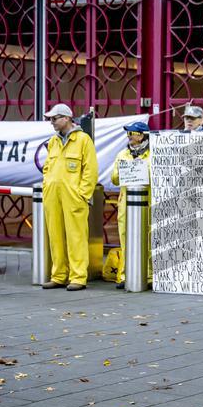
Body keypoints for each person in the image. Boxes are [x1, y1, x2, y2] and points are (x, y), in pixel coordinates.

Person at [42, 103, 98, 291]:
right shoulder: (53, 141)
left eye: (55, 118)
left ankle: (78, 277)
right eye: (50, 119)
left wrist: (82, 195)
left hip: (74, 197)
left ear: (67, 118)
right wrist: (46, 187)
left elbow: (90, 171)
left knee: (76, 237)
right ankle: (58, 275)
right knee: (55, 236)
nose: (52, 122)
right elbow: (47, 168)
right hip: (53, 196)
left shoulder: (83, 140)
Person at [111, 121, 151, 290]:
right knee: (125, 238)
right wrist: (122, 172)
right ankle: (125, 275)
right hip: (126, 203)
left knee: (147, 238)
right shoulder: (122, 154)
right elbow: (114, 179)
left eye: (131, 134)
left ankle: (148, 275)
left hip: (147, 202)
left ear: (141, 135)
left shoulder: (152, 155)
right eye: (128, 134)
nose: (128, 137)